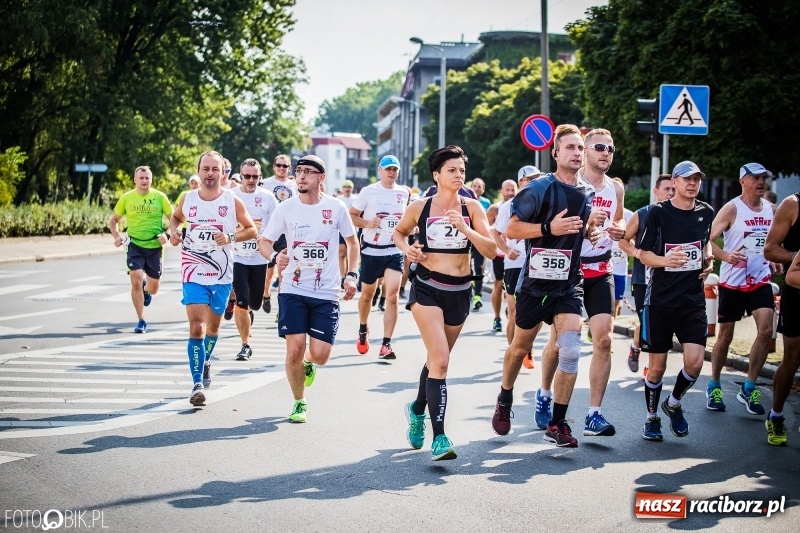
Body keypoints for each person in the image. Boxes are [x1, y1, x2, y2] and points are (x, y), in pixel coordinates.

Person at [491, 124, 597, 448]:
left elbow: (578, 230)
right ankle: (505, 397)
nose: (577, 153)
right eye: (570, 148)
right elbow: (512, 228)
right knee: (520, 348)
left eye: (581, 148)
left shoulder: (588, 193)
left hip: (568, 283)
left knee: (572, 350)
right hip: (535, 284)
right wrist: (549, 227)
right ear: (555, 153)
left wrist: (589, 233)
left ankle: (558, 422)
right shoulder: (537, 188)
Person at [393, 145, 495, 461]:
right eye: (452, 170)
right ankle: (439, 438)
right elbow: (399, 233)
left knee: (437, 360)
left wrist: (465, 227)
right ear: (437, 175)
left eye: (461, 170)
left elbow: (491, 250)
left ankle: (417, 408)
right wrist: (407, 250)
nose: (458, 175)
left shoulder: (473, 208)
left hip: (459, 291)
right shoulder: (419, 207)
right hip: (426, 288)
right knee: (440, 359)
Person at [260, 155, 359, 423]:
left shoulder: (336, 208)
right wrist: (274, 257)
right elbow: (264, 241)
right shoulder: (286, 208)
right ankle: (299, 401)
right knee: (293, 348)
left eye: (308, 172)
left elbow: (352, 243)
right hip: (292, 287)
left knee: (321, 355)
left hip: (326, 292)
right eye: (298, 171)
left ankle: (308, 360)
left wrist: (350, 275)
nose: (301, 176)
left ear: (321, 177)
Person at [168, 151, 257, 406]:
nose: (209, 174)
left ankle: (206, 359)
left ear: (222, 173)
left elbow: (251, 229)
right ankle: (196, 382)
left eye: (214, 169)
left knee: (213, 328)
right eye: (205, 169)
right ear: (199, 171)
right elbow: (176, 218)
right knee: (197, 326)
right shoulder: (188, 199)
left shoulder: (232, 200)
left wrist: (230, 237)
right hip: (193, 270)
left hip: (221, 274)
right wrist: (174, 232)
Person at [637, 161, 714, 442]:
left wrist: (709, 261)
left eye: (697, 179)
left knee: (694, 363)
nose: (693, 184)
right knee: (657, 367)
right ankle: (651, 417)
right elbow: (643, 254)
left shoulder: (706, 212)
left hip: (692, 301)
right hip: (660, 301)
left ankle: (673, 403)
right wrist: (665, 260)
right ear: (676, 183)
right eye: (687, 179)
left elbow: (705, 242)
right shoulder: (658, 213)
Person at [706, 163, 779, 414]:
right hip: (732, 282)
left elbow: (775, 243)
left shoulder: (772, 210)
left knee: (766, 329)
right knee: (725, 336)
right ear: (743, 181)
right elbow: (708, 239)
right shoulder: (732, 208)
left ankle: (748, 387)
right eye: (755, 178)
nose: (761, 182)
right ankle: (714, 384)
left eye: (763, 178)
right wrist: (725, 256)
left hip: (759, 280)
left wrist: (775, 259)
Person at [349, 155, 409, 359]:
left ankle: (386, 344)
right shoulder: (369, 191)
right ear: (380, 170)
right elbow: (352, 216)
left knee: (392, 295)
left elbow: (405, 220)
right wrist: (368, 224)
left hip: (394, 250)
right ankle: (363, 328)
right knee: (367, 295)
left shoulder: (403, 193)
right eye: (388, 169)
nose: (391, 172)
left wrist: (410, 228)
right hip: (371, 250)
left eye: (395, 169)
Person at [618, 174, 676, 377]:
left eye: (673, 189)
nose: (670, 193)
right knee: (647, 322)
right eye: (666, 189)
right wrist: (637, 253)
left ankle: (638, 347)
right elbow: (623, 240)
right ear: (656, 191)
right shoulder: (642, 214)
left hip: (671, 280)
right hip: (644, 280)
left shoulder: (680, 216)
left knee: (660, 324)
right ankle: (647, 363)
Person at [108, 166, 173, 334]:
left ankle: (147, 289)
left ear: (151, 180)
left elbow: (175, 220)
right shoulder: (127, 198)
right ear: (135, 180)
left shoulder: (160, 197)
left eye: (147, 178)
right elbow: (113, 220)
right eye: (141, 178)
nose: (144, 181)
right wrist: (116, 236)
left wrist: (167, 234)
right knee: (135, 278)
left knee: (154, 288)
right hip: (134, 244)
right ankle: (141, 320)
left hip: (154, 247)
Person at [227, 158, 278, 360]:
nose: (250, 180)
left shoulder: (267, 197)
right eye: (247, 176)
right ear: (241, 177)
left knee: (253, 303)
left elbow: (277, 222)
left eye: (255, 176)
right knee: (241, 300)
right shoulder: (231, 196)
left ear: (260, 177)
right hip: (237, 256)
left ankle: (248, 311)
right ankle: (245, 345)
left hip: (259, 258)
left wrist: (267, 239)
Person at [491, 166, 541, 368]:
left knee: (534, 312)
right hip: (514, 263)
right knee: (514, 312)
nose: (534, 182)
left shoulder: (543, 202)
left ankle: (527, 347)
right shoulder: (510, 205)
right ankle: (513, 351)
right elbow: (496, 233)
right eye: (530, 179)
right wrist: (506, 249)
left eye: (537, 178)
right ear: (521, 181)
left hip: (536, 263)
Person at [764, 192, 800, 446]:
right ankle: (776, 414)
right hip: (796, 290)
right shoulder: (792, 205)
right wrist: (797, 257)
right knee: (792, 359)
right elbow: (770, 249)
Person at [261, 154, 298, 314]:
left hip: (286, 233)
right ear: (274, 166)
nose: (281, 168)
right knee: (268, 274)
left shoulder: (295, 185)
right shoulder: (266, 183)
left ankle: (281, 308)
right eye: (279, 165)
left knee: (284, 272)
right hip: (269, 233)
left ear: (289, 168)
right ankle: (266, 294)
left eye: (285, 166)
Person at [487, 179, 518, 333]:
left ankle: (510, 312)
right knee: (498, 285)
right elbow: (485, 231)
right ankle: (497, 317)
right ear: (501, 191)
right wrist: (499, 235)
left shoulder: (520, 206)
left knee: (512, 290)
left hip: (515, 256)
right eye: (507, 190)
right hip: (499, 254)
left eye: (513, 190)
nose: (510, 193)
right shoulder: (495, 209)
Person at [610, 178, 633, 317]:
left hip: (620, 267)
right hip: (603, 265)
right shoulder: (602, 211)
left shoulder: (629, 215)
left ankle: (611, 326)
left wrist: (627, 246)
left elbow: (635, 241)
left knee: (617, 303)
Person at [469, 177, 491, 311]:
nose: (477, 188)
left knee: (479, 268)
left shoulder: (486, 203)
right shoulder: (465, 201)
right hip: (467, 239)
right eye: (474, 186)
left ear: (483, 189)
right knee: (465, 268)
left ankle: (477, 296)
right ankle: (468, 289)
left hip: (480, 239)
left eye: (479, 186)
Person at [338, 179, 358, 287]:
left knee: (350, 252)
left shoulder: (356, 199)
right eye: (345, 187)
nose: (347, 189)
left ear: (352, 188)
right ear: (342, 189)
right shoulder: (338, 200)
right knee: (341, 253)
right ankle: (342, 275)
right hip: (340, 230)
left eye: (349, 187)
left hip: (353, 230)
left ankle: (348, 273)